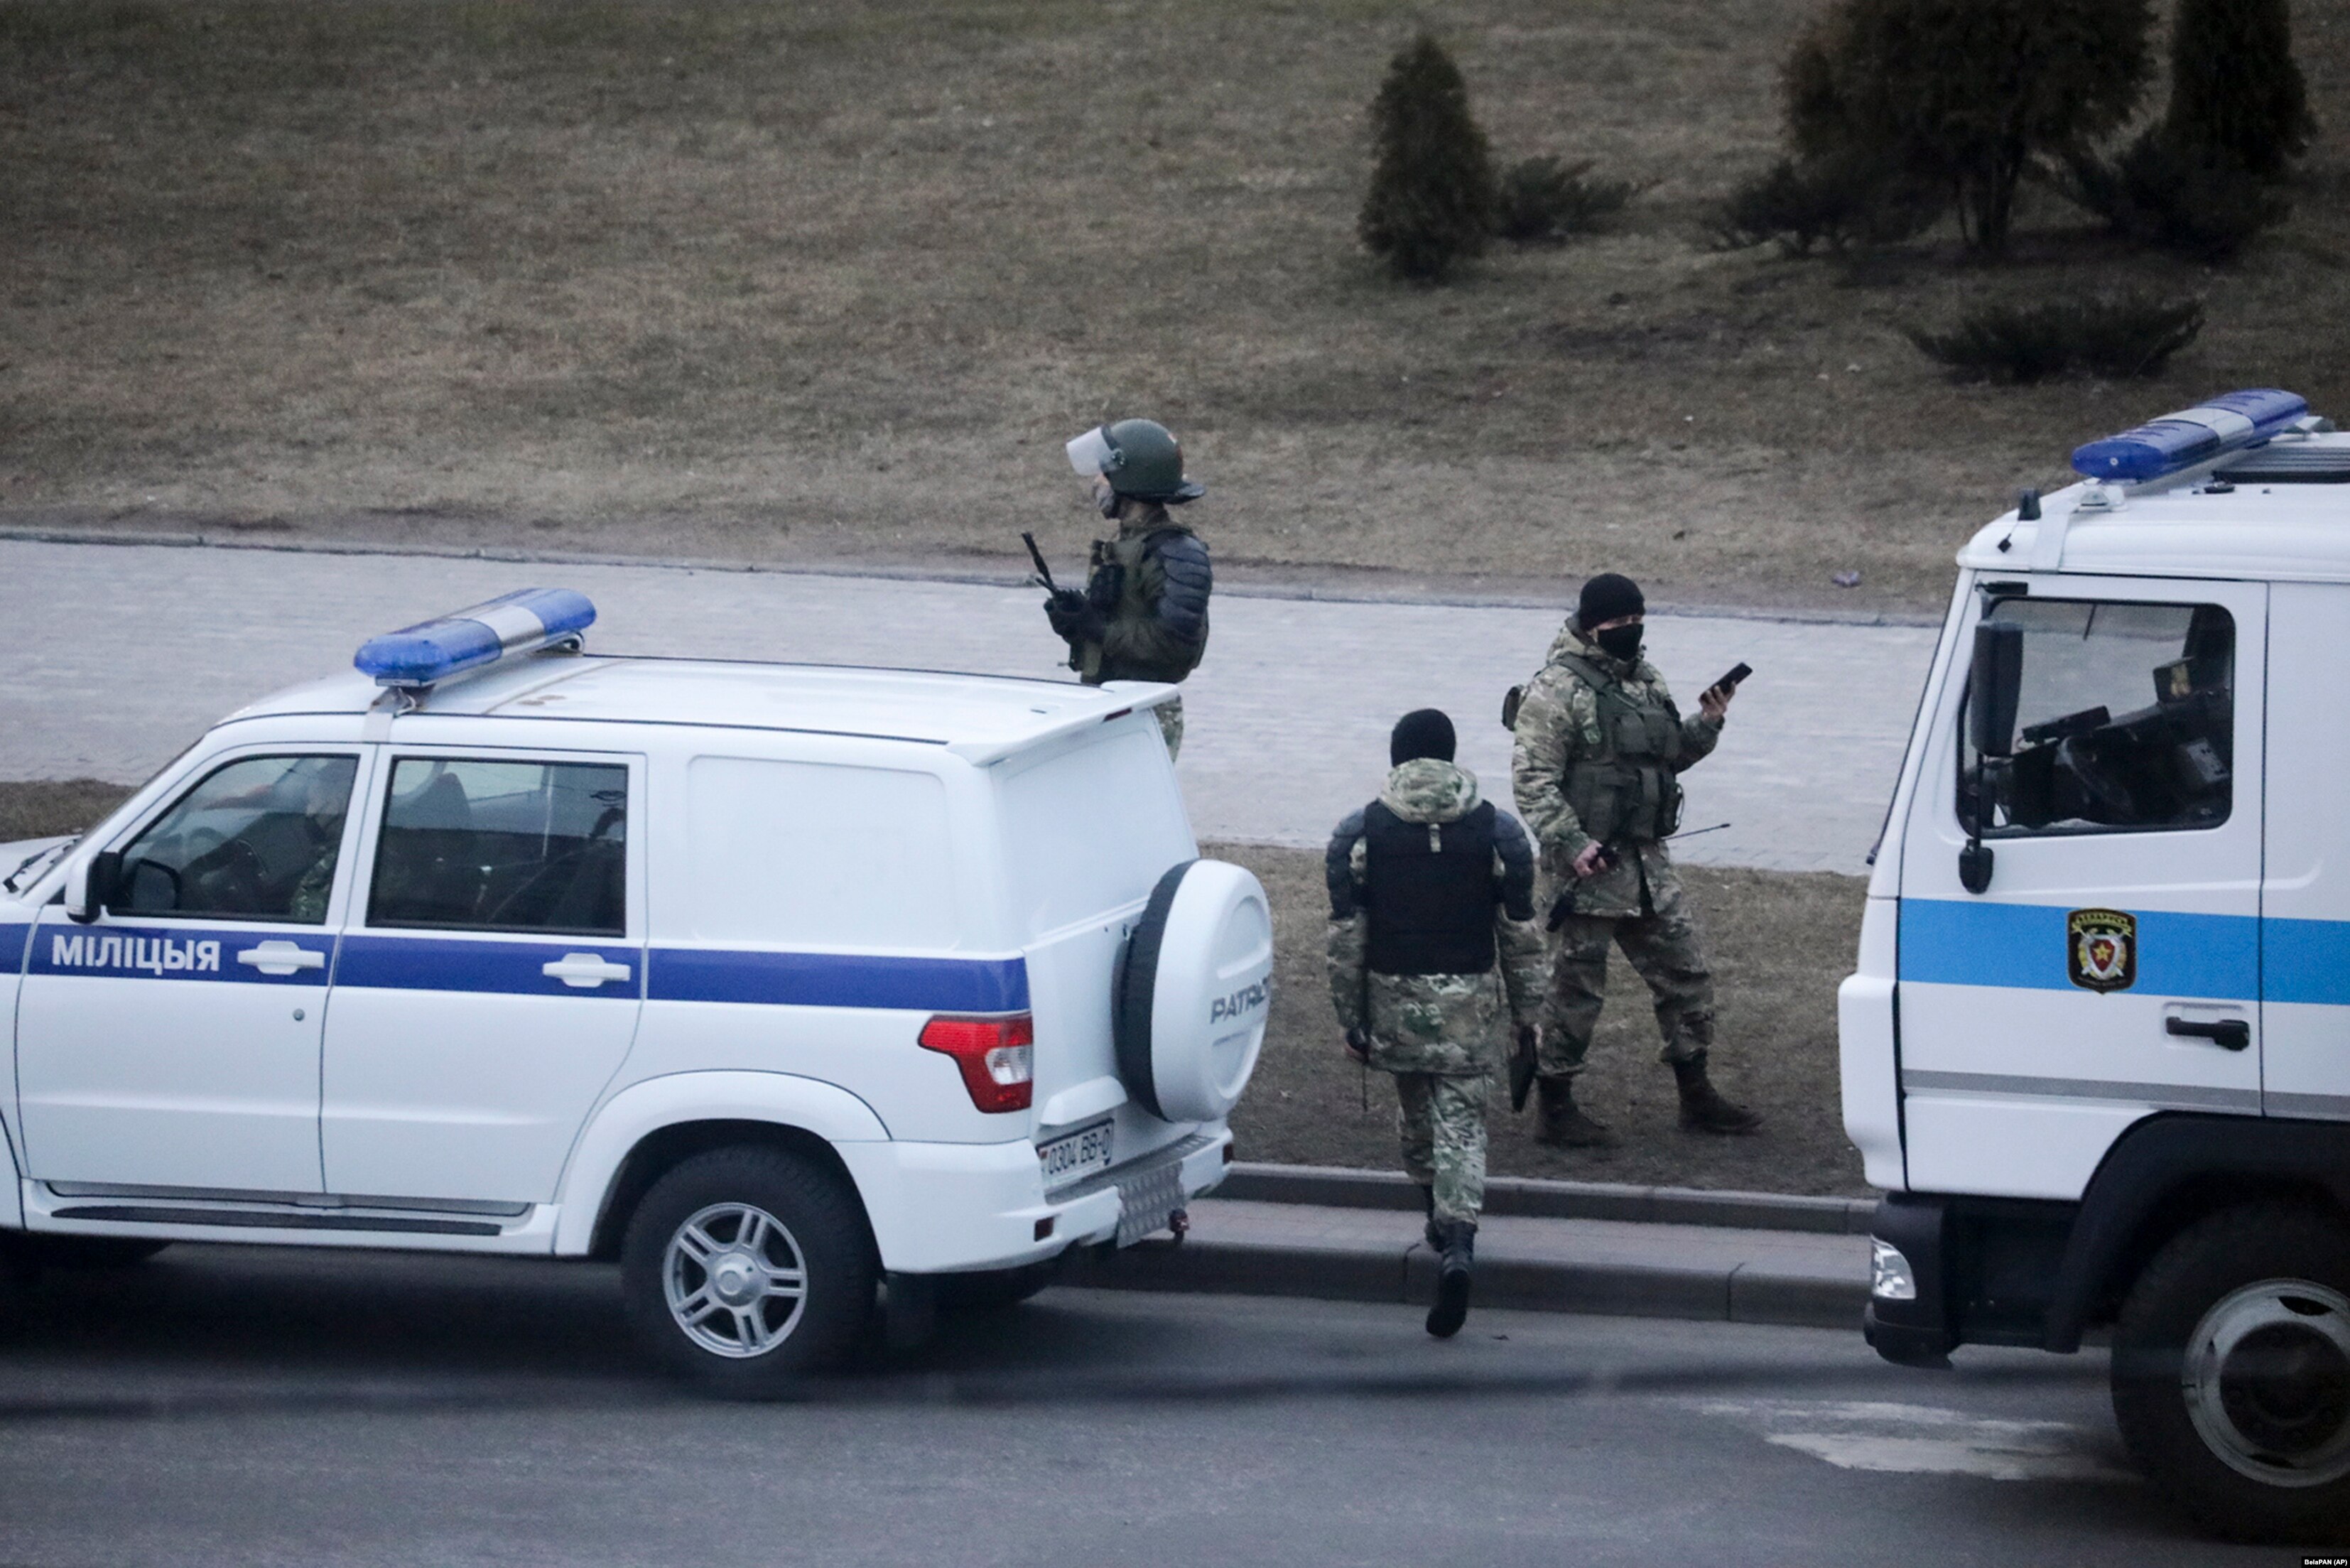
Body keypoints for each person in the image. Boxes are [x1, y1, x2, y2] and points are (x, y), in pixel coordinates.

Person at [1510, 572, 1760, 1145]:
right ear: (1591, 624)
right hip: (1587, 872)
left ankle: (1696, 1093)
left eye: (1637, 621)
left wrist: (1708, 723)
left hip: (1647, 868)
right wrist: (1573, 844)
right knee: (1574, 992)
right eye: (1619, 622)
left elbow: (1663, 759)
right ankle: (1556, 1106)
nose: (1630, 630)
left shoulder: (1646, 681)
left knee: (1687, 975)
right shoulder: (1555, 690)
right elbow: (1532, 781)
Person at [1327, 708, 1546, 1338]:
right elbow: (1520, 936)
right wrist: (1527, 1016)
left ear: (1397, 758)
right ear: (1450, 757)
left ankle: (1434, 1216)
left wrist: (1351, 1018)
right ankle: (1458, 1245)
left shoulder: (1360, 832)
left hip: (1395, 1006)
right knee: (1463, 1130)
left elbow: (1346, 938)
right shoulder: (1498, 831)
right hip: (1469, 1010)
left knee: (1418, 1123)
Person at [1043, 418, 1212, 756]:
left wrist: (1099, 628)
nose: (1097, 482)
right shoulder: (1129, 543)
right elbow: (1126, 622)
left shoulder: (1178, 554)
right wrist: (1077, 623)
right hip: (1105, 705)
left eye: (1105, 474)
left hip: (1144, 716)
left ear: (1130, 479)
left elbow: (1175, 645)